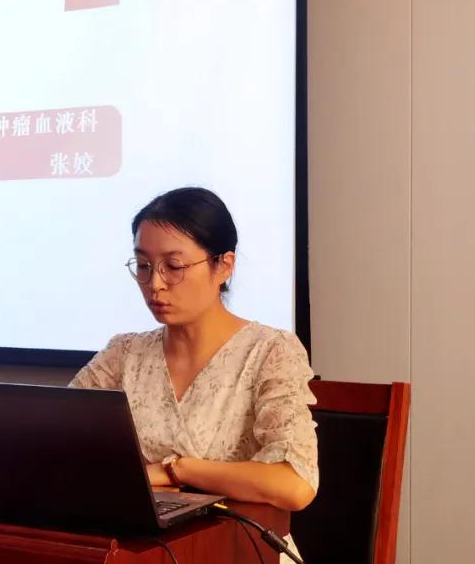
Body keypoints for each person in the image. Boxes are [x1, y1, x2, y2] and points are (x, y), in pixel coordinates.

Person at [70, 187, 317, 514]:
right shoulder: (123, 353)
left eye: (173, 266)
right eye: (143, 265)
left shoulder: (271, 351)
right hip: (138, 535)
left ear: (224, 266)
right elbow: (56, 442)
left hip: (236, 538)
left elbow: (295, 483)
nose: (155, 284)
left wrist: (177, 470)